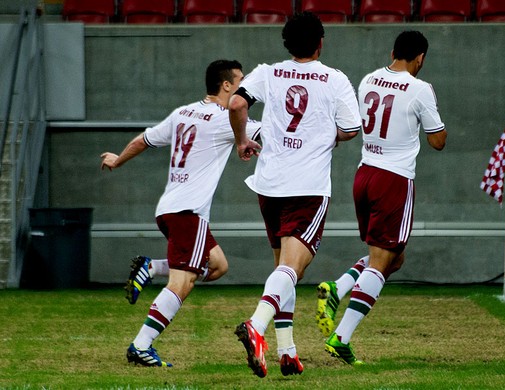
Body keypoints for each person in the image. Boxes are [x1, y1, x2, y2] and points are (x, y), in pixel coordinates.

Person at [100, 59, 261, 367]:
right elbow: (268, 132)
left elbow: (143, 140)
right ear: (227, 85)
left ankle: (151, 267)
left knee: (217, 266)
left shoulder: (182, 113)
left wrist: (118, 160)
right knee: (182, 283)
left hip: (168, 210)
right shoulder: (226, 118)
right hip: (189, 212)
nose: (245, 87)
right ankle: (141, 345)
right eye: (240, 80)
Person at [228, 11, 362, 378]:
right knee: (291, 268)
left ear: (287, 43)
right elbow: (351, 128)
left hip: (269, 185)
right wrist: (324, 135)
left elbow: (237, 104)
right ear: (320, 43)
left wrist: (242, 140)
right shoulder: (334, 79)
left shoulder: (267, 72)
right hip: (308, 187)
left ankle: (287, 351)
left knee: (283, 270)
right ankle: (256, 325)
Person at [316, 30, 448, 365]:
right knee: (381, 261)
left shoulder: (369, 79)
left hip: (364, 175)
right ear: (420, 58)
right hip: (394, 179)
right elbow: (438, 141)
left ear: (393, 52)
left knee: (394, 258)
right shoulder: (421, 89)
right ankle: (340, 337)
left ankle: (339, 287)